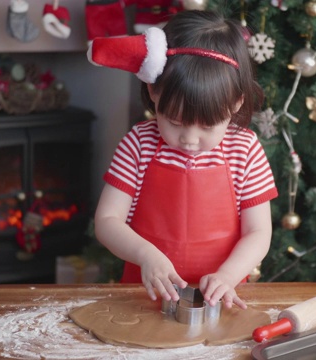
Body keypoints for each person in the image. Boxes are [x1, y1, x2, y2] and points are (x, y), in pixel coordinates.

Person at [89, 10, 278, 310]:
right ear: (154, 91)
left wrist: (228, 275)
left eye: (206, 127)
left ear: (235, 103)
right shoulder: (139, 144)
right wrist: (145, 255)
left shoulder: (245, 150)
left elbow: (259, 232)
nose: (189, 139)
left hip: (221, 298)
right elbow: (107, 221)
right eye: (175, 122)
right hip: (144, 298)